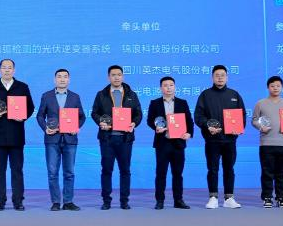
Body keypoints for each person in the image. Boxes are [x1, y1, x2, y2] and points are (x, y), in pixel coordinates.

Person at [0, 59, 34, 211]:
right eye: (4, 67)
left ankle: (18, 201)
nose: (6, 70)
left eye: (9, 68)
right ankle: (0, 201)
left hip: (17, 135)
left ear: (14, 70)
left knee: (17, 170)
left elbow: (30, 107)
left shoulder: (22, 87)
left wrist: (23, 116)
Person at [193, 64, 247, 209]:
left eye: (223, 75)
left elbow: (242, 115)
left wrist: (238, 129)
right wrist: (207, 126)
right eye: (217, 75)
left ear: (227, 77)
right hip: (212, 140)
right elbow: (198, 116)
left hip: (230, 140)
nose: (220, 78)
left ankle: (229, 197)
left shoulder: (234, 95)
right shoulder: (205, 95)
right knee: (213, 169)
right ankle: (213, 197)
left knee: (229, 168)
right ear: (212, 77)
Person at [91, 64, 143, 210]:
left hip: (125, 139)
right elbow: (94, 113)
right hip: (107, 138)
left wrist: (134, 123)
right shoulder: (101, 94)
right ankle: (106, 201)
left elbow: (138, 114)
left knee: (125, 170)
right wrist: (100, 122)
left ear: (123, 76)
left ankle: (124, 201)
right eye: (113, 75)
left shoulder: (131, 94)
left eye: (119, 75)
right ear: (109, 77)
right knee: (107, 170)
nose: (116, 77)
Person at [36, 68, 86, 211]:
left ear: (69, 79)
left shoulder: (75, 97)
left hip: (70, 139)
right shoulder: (46, 96)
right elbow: (40, 115)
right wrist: (45, 128)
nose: (62, 79)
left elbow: (82, 116)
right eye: (59, 76)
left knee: (69, 172)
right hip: (52, 139)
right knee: (52, 173)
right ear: (55, 79)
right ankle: (56, 202)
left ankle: (68, 202)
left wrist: (76, 127)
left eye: (65, 77)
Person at [146, 75, 193, 209]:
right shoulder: (155, 103)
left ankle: (178, 200)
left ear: (175, 87)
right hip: (162, 142)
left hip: (178, 143)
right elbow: (150, 120)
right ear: (161, 88)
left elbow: (189, 121)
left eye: (171, 85)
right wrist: (156, 128)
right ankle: (160, 201)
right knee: (161, 173)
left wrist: (189, 133)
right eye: (165, 85)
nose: (168, 88)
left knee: (177, 174)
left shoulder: (182, 103)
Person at [251, 75, 283, 208]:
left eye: (278, 86)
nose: (275, 88)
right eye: (272, 86)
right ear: (268, 87)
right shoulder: (260, 103)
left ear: (282, 88)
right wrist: (261, 127)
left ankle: (281, 198)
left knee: (282, 173)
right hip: (266, 143)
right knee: (267, 172)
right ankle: (267, 197)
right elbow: (254, 120)